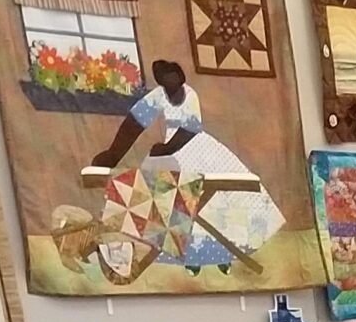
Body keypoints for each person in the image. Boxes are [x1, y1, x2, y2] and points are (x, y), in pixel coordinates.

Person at [83, 58, 285, 281]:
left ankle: (223, 255)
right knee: (164, 201)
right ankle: (190, 257)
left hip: (195, 149)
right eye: (166, 81)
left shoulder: (190, 95)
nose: (171, 85)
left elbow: (189, 130)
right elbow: (135, 123)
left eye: (174, 79)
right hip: (171, 152)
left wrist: (165, 149)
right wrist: (113, 153)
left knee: (215, 204)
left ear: (180, 79)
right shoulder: (158, 96)